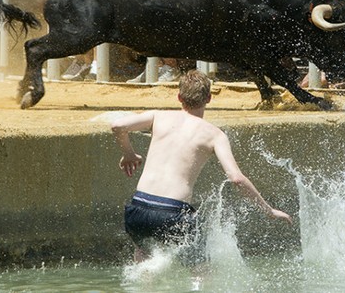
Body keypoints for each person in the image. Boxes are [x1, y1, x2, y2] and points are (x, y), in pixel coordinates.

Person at [111, 70, 292, 262]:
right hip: (172, 212)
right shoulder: (214, 135)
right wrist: (268, 210)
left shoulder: (158, 117)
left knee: (143, 260)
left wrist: (129, 154)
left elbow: (117, 126)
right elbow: (236, 179)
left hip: (138, 208)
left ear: (179, 97)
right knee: (201, 267)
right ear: (209, 98)